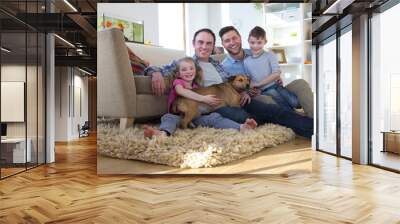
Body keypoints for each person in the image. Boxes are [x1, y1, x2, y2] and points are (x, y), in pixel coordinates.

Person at [145, 28, 313, 138]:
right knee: (255, 115)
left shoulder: (219, 64)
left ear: (213, 46)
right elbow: (156, 68)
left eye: (208, 43)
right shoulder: (187, 64)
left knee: (271, 110)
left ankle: (313, 128)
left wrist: (246, 91)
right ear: (194, 44)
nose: (204, 46)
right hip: (217, 105)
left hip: (239, 98)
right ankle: (267, 121)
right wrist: (156, 73)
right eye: (200, 42)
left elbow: (236, 83)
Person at [143, 57, 257, 138]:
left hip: (198, 116)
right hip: (178, 113)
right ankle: (163, 133)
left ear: (196, 71)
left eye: (191, 69)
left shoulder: (196, 86)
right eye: (184, 70)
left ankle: (241, 127)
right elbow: (181, 91)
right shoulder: (178, 82)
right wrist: (202, 99)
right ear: (178, 73)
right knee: (168, 118)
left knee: (215, 117)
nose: (188, 72)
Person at [218, 25, 314, 118]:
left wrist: (277, 77)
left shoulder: (254, 50)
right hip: (257, 96)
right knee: (268, 98)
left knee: (300, 84)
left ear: (240, 38)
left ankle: (315, 119)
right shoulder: (224, 67)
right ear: (223, 44)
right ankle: (296, 118)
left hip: (274, 85)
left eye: (234, 38)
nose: (232, 42)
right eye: (227, 40)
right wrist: (245, 92)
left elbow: (272, 68)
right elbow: (228, 90)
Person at [244, 26, 300, 112]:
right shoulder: (246, 61)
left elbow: (276, 73)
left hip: (276, 85)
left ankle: (298, 109)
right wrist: (253, 89)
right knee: (285, 107)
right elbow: (249, 79)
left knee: (295, 102)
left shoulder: (270, 55)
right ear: (248, 42)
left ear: (265, 42)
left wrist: (259, 84)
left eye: (259, 43)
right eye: (252, 42)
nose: (255, 46)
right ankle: (293, 114)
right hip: (263, 91)